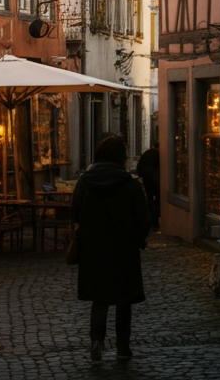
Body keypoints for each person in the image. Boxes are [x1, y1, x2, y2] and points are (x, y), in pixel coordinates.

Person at [72, 134, 151, 362]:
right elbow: (143, 220)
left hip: (93, 248)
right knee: (123, 299)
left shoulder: (86, 181)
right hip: (124, 248)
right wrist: (137, 239)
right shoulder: (130, 184)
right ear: (121, 158)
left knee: (100, 298)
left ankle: (96, 341)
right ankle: (122, 347)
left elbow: (75, 211)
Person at [136, 140, 161, 230]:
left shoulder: (147, 154)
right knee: (158, 201)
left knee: (149, 199)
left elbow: (139, 167)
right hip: (158, 181)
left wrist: (142, 175)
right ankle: (155, 221)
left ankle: (150, 220)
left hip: (147, 180)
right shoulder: (159, 155)